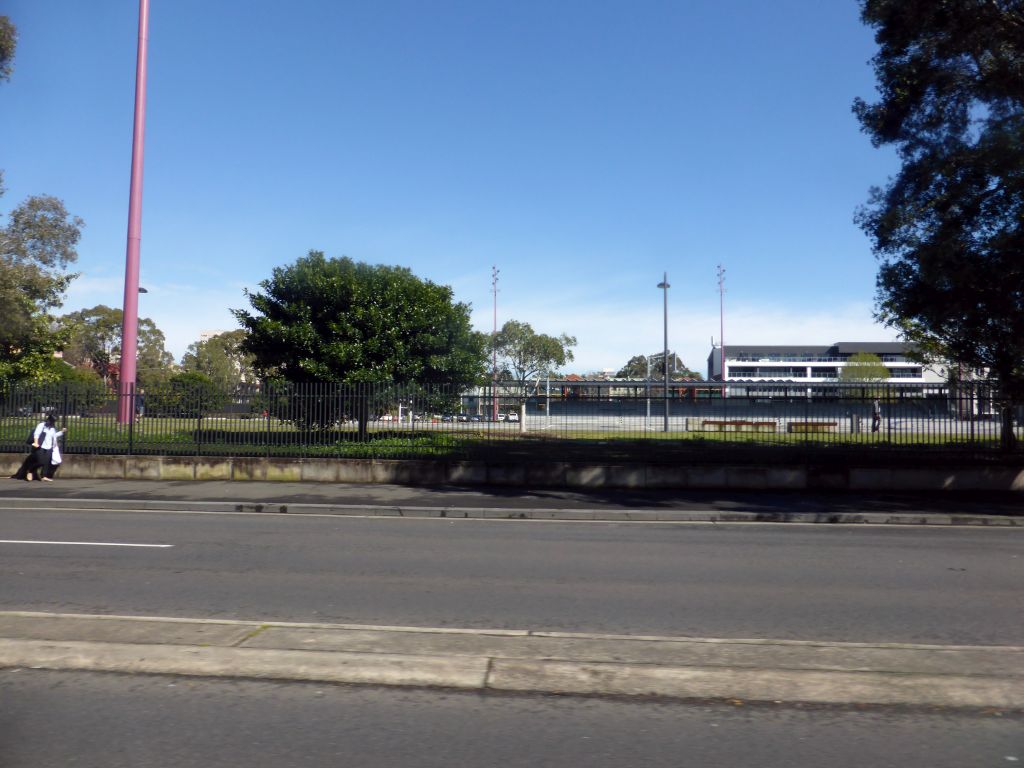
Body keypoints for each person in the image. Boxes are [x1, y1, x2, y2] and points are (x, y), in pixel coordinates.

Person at [14, 413, 64, 481]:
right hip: (40, 446)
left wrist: (62, 432)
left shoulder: (52, 428)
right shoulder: (42, 425)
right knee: (41, 461)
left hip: (49, 447)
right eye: (51, 421)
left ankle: (44, 476)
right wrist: (36, 442)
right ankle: (30, 471)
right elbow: (36, 434)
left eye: (53, 421)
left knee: (46, 463)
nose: (52, 422)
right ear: (48, 419)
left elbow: (54, 435)